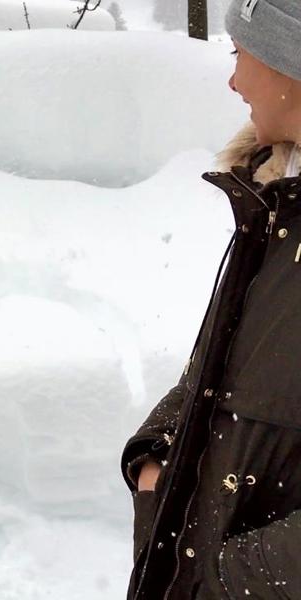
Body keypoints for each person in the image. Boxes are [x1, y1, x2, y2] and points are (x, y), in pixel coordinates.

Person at [122, 2, 301, 598]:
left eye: (240, 54)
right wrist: (156, 459)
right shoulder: (275, 205)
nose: (234, 80)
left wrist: (234, 575)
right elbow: (225, 372)